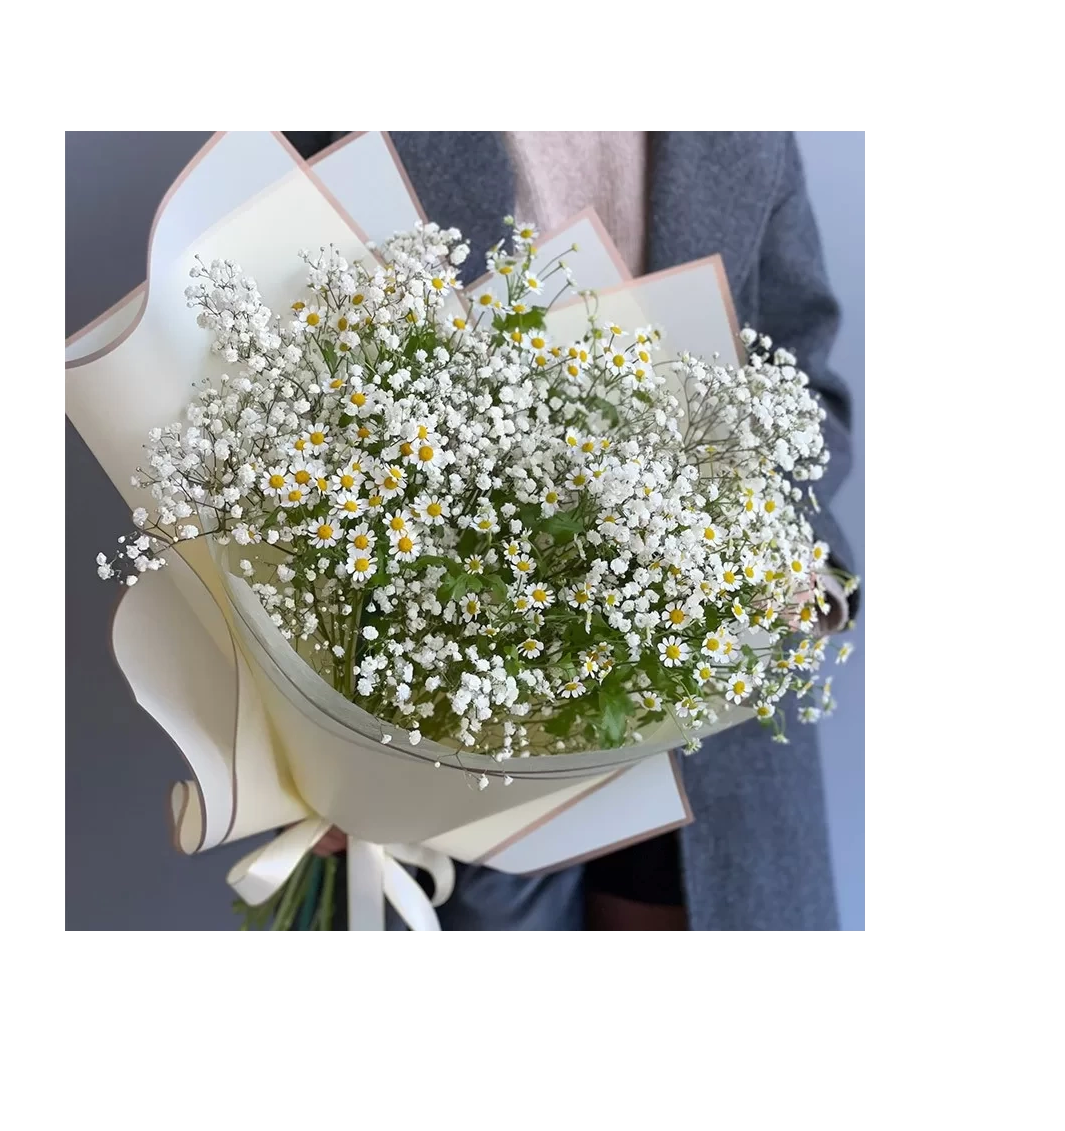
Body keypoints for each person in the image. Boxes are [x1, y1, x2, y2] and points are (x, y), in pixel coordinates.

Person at [289, 132, 858, 931]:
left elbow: (807, 386)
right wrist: (307, 728)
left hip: (708, 702)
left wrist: (784, 564)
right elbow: (280, 393)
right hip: (444, 712)